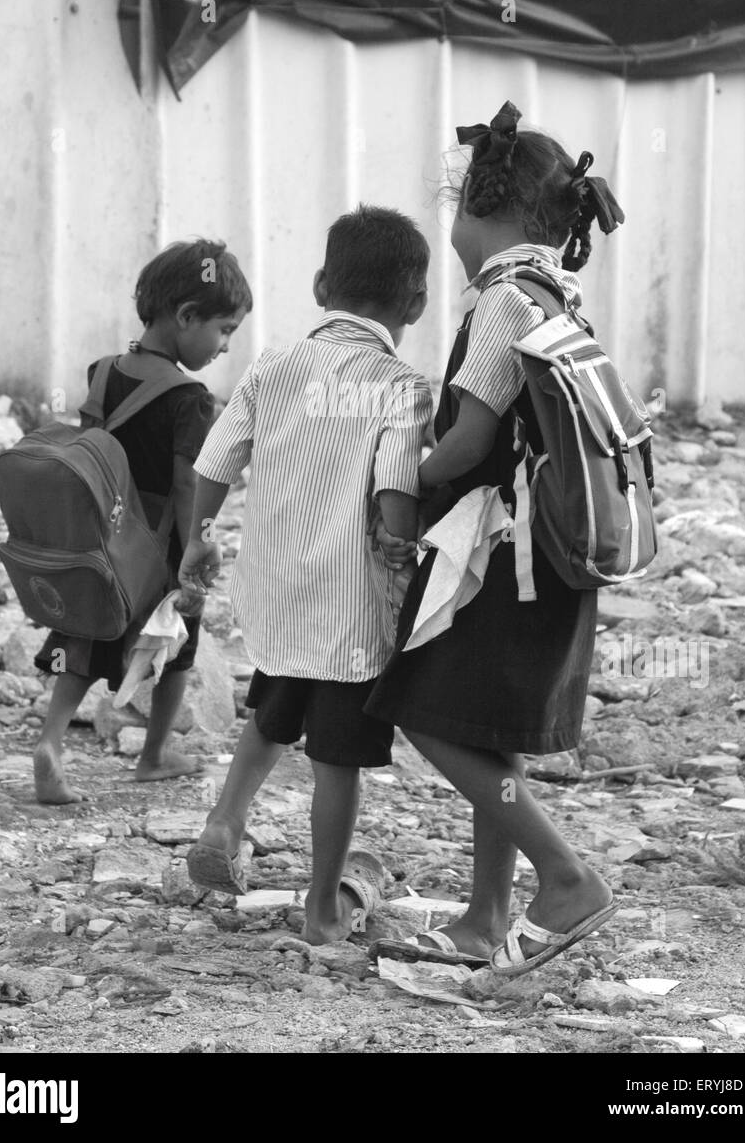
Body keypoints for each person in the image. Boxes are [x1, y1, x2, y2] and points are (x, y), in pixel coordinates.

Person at [365, 102, 621, 974]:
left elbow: (471, 442)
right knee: (481, 724)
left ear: (482, 206)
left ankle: (564, 874)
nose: (455, 238)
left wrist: (401, 475)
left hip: (496, 562)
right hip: (545, 559)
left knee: (420, 710)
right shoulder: (557, 295)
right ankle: (482, 918)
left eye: (458, 215)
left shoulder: (503, 300)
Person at [178, 206, 432, 945]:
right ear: (414, 304)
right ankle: (322, 906)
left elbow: (216, 462)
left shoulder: (271, 367)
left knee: (270, 712)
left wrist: (198, 538)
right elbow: (394, 498)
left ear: (322, 283)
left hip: (277, 589)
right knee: (338, 760)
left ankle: (225, 823)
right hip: (350, 602)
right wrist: (403, 547)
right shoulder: (401, 387)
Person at [32, 239, 252, 804]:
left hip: (102, 535)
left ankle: (52, 741)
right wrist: (198, 547)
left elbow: (92, 448)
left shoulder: (104, 371)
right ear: (185, 317)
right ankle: (153, 755)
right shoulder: (191, 399)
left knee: (85, 635)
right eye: (224, 329)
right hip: (159, 542)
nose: (226, 345)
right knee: (178, 641)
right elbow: (187, 484)